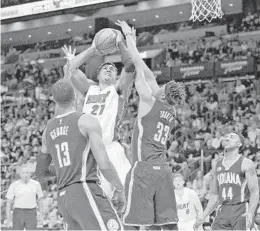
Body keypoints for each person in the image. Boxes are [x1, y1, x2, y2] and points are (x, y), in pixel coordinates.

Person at [116, 20, 187, 230]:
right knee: (166, 223)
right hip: (163, 170)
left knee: (133, 222)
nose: (158, 83)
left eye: (162, 85)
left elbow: (139, 67)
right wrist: (135, 47)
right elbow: (149, 73)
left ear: (163, 93)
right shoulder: (169, 110)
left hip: (143, 168)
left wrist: (129, 38)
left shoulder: (148, 100)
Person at [35, 79, 125, 230]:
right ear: (75, 97)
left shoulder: (47, 131)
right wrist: (120, 189)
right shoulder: (86, 121)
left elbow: (40, 173)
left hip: (64, 199)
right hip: (84, 190)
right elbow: (104, 164)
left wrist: (65, 168)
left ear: (54, 100)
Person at [61, 34, 135, 198]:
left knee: (129, 192)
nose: (109, 69)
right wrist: (92, 50)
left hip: (111, 148)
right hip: (89, 150)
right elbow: (69, 70)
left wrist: (121, 44)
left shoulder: (118, 90)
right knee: (96, 199)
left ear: (116, 77)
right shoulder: (89, 89)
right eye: (105, 68)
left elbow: (130, 66)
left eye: (113, 69)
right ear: (98, 74)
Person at [194, 132, 259, 230]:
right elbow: (214, 195)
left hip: (240, 209)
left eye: (231, 137)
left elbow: (255, 191)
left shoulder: (246, 163)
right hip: (222, 209)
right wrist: (203, 215)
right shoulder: (217, 165)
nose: (227, 138)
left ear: (239, 144)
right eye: (226, 137)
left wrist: (250, 212)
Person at [6, 165, 44, 230]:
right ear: (20, 174)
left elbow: (40, 200)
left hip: (31, 213)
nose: (25, 175)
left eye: (27, 173)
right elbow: (9, 202)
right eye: (23, 173)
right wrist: (8, 216)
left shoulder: (36, 184)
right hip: (18, 212)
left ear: (30, 174)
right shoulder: (14, 185)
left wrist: (41, 214)